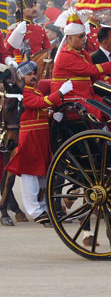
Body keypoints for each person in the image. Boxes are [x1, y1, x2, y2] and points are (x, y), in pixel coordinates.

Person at [5, 61, 73, 225]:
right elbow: (36, 104)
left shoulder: (35, 91)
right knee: (30, 175)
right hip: (30, 137)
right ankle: (35, 210)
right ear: (22, 76)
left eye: (35, 73)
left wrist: (52, 117)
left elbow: (42, 109)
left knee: (43, 174)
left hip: (41, 136)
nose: (33, 76)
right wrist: (60, 94)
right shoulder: (25, 93)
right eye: (29, 74)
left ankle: (43, 207)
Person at [51, 13, 111, 119]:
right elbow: (90, 70)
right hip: (71, 98)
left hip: (85, 96)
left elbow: (96, 77)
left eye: (84, 36)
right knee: (100, 112)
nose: (84, 39)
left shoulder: (83, 53)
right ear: (69, 39)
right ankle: (103, 132)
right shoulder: (65, 55)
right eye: (81, 36)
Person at [7, 0, 51, 64]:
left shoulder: (40, 29)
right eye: (30, 7)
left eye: (34, 5)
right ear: (22, 10)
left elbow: (48, 50)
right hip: (20, 65)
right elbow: (7, 51)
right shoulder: (14, 29)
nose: (34, 9)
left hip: (39, 65)